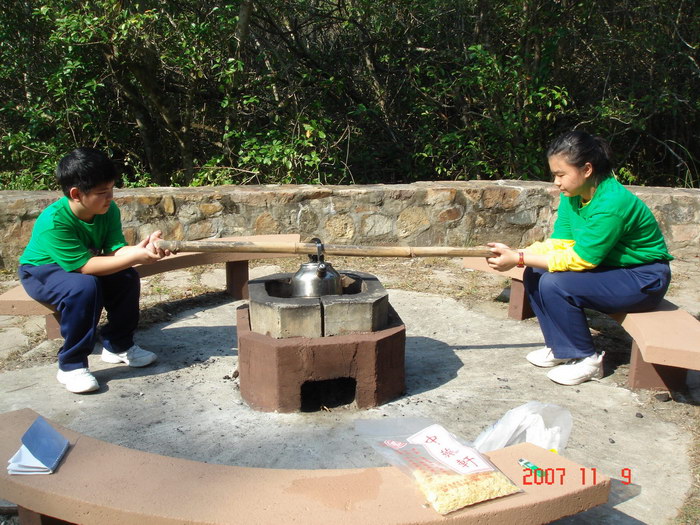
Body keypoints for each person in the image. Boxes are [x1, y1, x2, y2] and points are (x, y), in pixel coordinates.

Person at [486, 130, 673, 386]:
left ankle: (587, 359)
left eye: (561, 174)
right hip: (612, 269)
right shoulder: (573, 196)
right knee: (535, 272)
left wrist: (517, 257)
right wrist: (522, 255)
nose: (556, 182)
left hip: (643, 279)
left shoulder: (612, 204)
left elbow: (583, 259)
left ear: (586, 169)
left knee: (555, 283)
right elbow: (560, 243)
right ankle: (561, 348)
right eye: (554, 175)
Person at [18, 148, 171, 394]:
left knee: (126, 276)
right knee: (84, 287)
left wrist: (142, 250)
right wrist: (135, 257)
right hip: (41, 271)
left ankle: (117, 345)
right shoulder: (54, 221)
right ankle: (71, 365)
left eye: (111, 189)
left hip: (82, 263)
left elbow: (115, 251)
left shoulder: (107, 210)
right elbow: (86, 267)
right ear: (76, 194)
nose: (110, 197)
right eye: (102, 192)